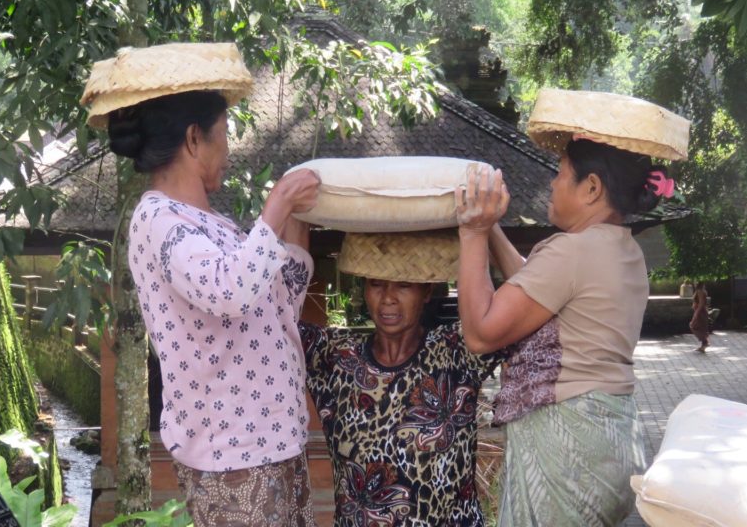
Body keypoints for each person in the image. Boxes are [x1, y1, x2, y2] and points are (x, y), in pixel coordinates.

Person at [82, 43, 322, 526]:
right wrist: (273, 209)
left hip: (272, 440)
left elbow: (279, 303)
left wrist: (292, 226)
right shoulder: (159, 220)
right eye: (223, 137)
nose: (228, 152)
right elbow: (230, 291)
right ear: (195, 139)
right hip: (232, 451)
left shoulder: (213, 225)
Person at [456, 130, 682, 525]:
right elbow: (536, 287)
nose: (552, 183)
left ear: (591, 188)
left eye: (560, 174)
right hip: (612, 435)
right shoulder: (622, 248)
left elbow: (480, 334)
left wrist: (472, 233)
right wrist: (491, 227)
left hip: (567, 440)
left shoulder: (572, 251)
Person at [299, 231, 504, 526]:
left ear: (427, 292)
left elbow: (536, 299)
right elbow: (278, 313)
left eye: (404, 286)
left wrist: (485, 228)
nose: (388, 299)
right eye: (376, 284)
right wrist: (294, 212)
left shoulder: (456, 352)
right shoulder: (337, 357)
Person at [690, 281, 711, 352]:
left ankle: (705, 342)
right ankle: (703, 345)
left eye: (696, 282)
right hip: (701, 311)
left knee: (693, 325)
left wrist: (696, 313)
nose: (694, 283)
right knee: (701, 327)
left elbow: (701, 303)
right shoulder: (700, 290)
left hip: (700, 312)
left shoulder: (700, 291)